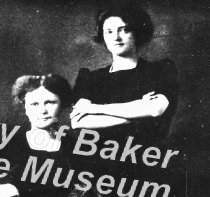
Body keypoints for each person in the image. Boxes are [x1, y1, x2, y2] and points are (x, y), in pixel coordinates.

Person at [71, 1, 178, 176]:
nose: (116, 37)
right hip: (99, 166)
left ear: (137, 32)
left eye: (125, 30)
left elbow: (155, 109)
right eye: (109, 31)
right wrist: (137, 114)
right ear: (102, 36)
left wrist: (95, 109)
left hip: (146, 165)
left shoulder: (159, 70)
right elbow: (78, 121)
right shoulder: (91, 77)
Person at [0, 74, 74, 197]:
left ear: (62, 104)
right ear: (24, 106)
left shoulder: (74, 146)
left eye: (50, 102)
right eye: (34, 104)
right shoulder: (9, 147)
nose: (43, 110)